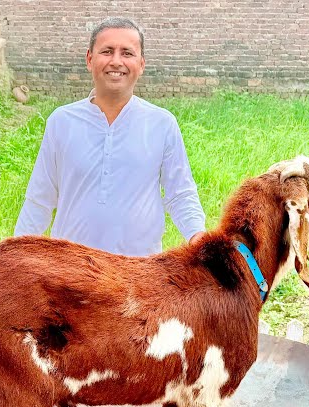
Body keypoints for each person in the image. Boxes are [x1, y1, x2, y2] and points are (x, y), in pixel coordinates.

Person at [13, 17, 206, 256]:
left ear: (142, 64)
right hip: (71, 270)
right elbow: (40, 198)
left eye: (127, 53)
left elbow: (180, 193)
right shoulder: (62, 121)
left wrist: (198, 236)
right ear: (89, 59)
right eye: (107, 51)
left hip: (137, 273)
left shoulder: (162, 123)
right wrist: (14, 254)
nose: (116, 61)